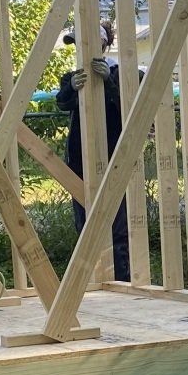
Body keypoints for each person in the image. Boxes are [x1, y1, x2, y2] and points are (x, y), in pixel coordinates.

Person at [57, 19, 130, 281]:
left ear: (102, 44)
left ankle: (121, 280)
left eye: (85, 43)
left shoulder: (121, 72)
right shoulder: (73, 76)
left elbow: (131, 105)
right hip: (80, 162)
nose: (80, 49)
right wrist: (72, 89)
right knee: (85, 226)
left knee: (118, 227)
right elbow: (62, 102)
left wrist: (109, 82)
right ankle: (92, 281)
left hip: (115, 159)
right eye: (77, 44)